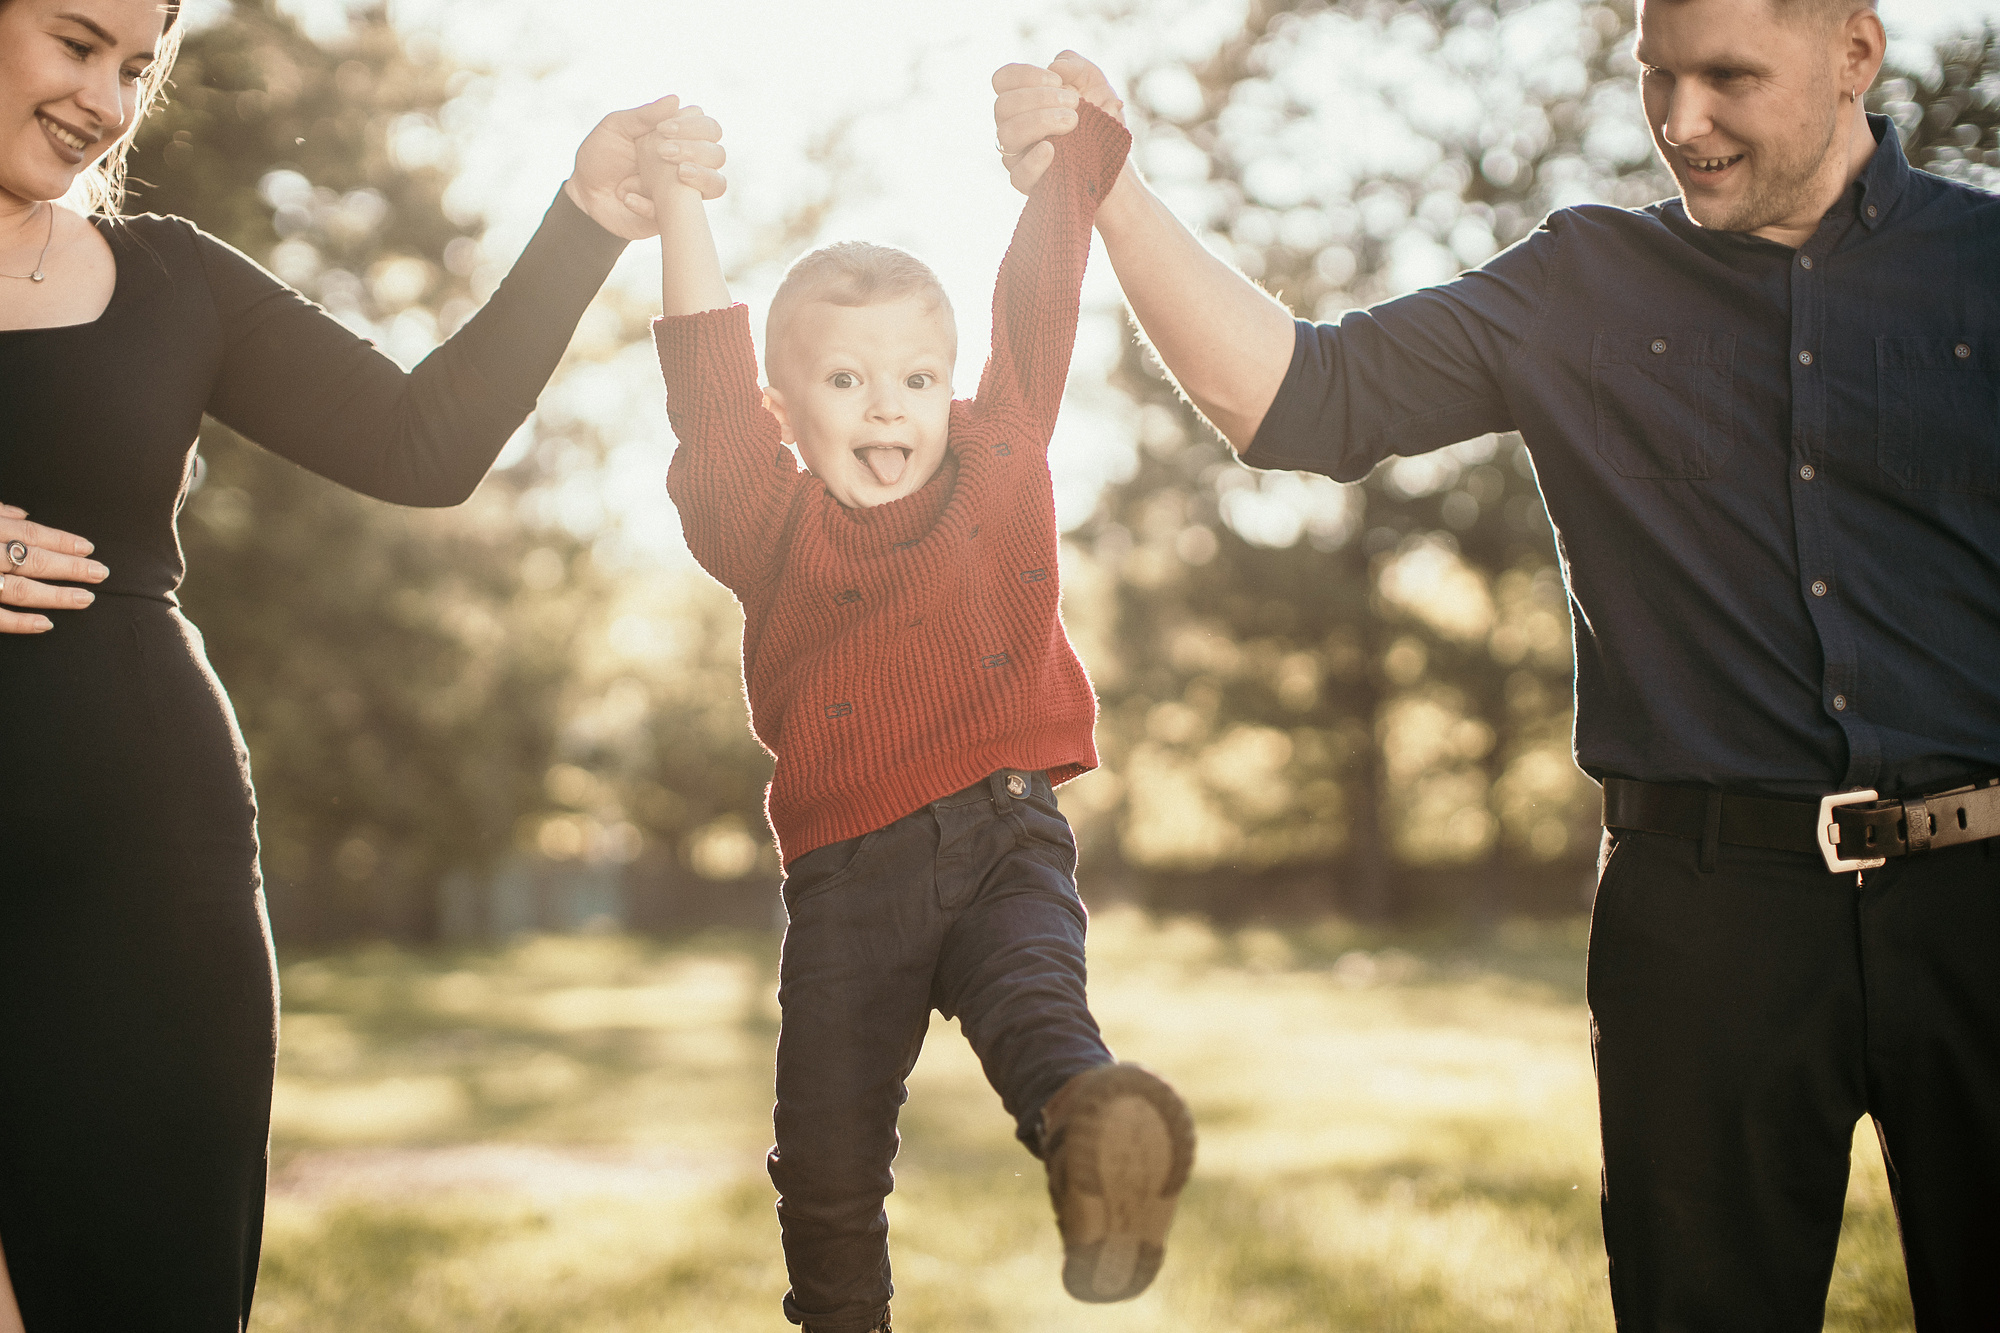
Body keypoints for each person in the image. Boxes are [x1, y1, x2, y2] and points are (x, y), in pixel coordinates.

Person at [995, 0, 1998, 1326]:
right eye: (1657, 77)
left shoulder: (1984, 265)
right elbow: (1301, 398)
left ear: (1854, 56)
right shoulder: (1584, 283)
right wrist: (1112, 193)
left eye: (1729, 79)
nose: (1681, 122)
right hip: (1707, 923)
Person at [0, 0, 727, 1325]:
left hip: (151, 894)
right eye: (74, 43)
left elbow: (420, 443)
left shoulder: (171, 278)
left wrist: (584, 221)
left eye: (136, 68)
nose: (105, 100)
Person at [639, 95, 1195, 1333]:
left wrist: (1060, 176)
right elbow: (708, 396)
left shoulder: (997, 454)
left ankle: (1101, 1145)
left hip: (1001, 838)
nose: (888, 405)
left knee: (1039, 1027)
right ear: (785, 413)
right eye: (844, 379)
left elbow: (1037, 308)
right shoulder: (766, 521)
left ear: (953, 388)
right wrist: (678, 204)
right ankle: (872, 1303)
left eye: (915, 376)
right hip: (858, 882)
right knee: (828, 1170)